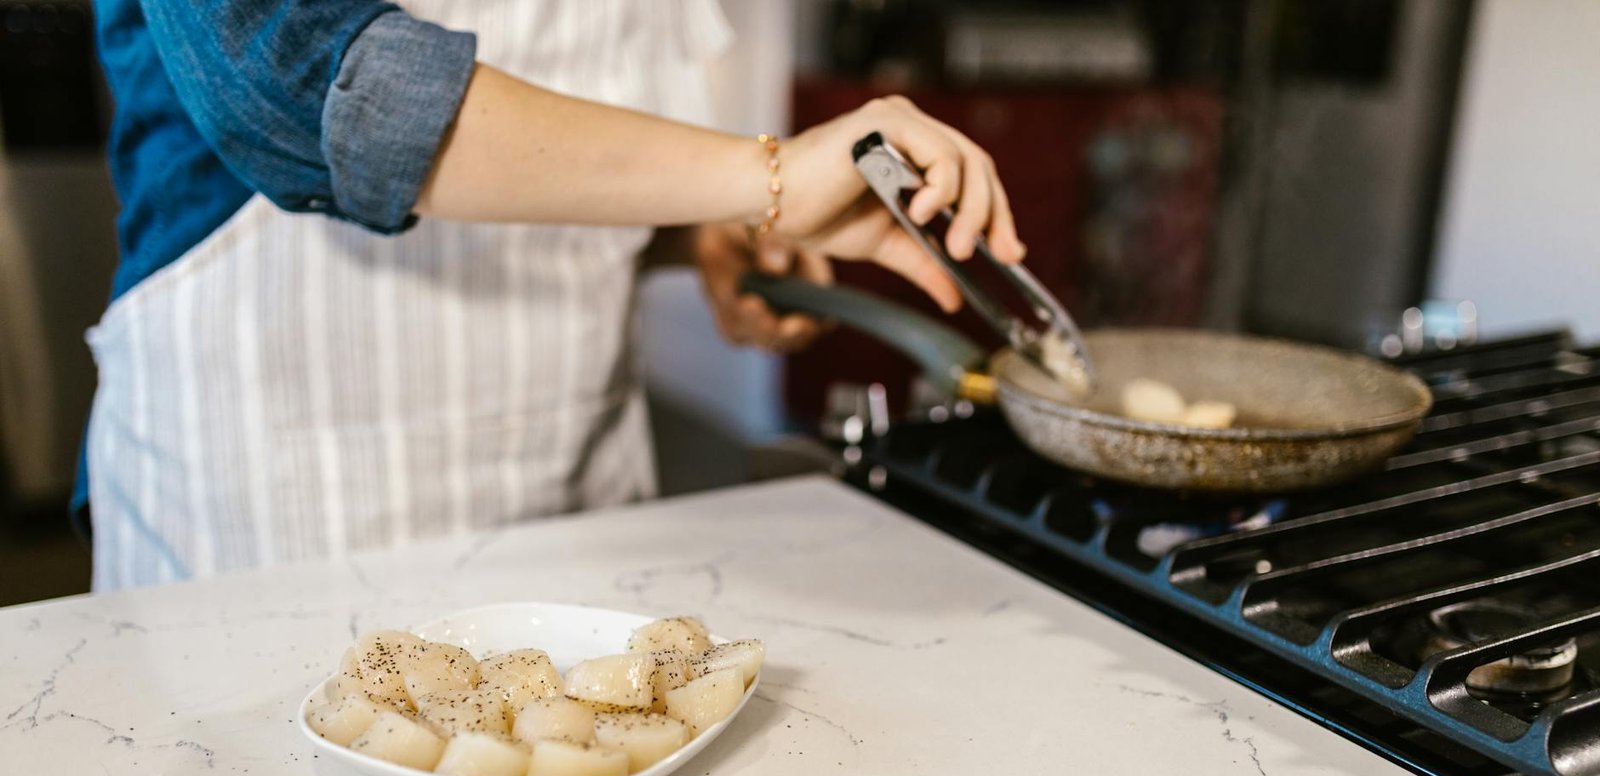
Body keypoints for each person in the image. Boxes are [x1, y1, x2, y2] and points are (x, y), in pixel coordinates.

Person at [86, 0, 1024, 592]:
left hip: (585, 492)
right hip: (282, 510)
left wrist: (691, 232)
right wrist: (764, 178)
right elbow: (315, 90)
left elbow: (562, 127)